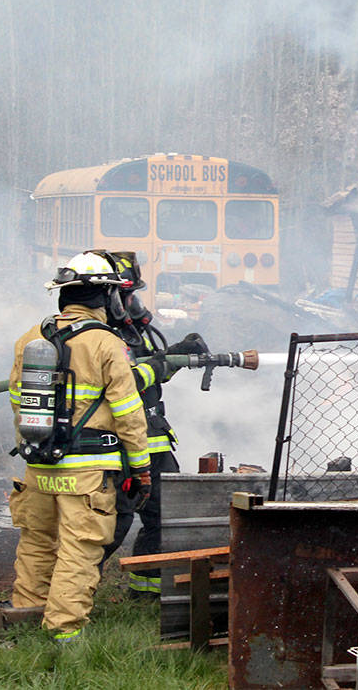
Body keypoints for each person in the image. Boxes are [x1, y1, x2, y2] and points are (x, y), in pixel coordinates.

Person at [8, 251, 150, 642]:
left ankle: (24, 624)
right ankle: (63, 638)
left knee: (36, 546)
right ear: (107, 298)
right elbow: (129, 414)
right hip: (86, 474)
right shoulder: (107, 344)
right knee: (78, 551)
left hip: (38, 466)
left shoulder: (29, 339)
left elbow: (18, 402)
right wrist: (140, 469)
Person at [99, 251, 207, 595]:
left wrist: (175, 354)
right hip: (117, 446)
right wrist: (162, 363)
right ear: (109, 296)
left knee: (167, 518)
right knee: (112, 525)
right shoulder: (97, 337)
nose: (134, 303)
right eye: (128, 294)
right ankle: (68, 592)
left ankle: (147, 591)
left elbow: (149, 374)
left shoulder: (129, 332)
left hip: (153, 439)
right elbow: (126, 380)